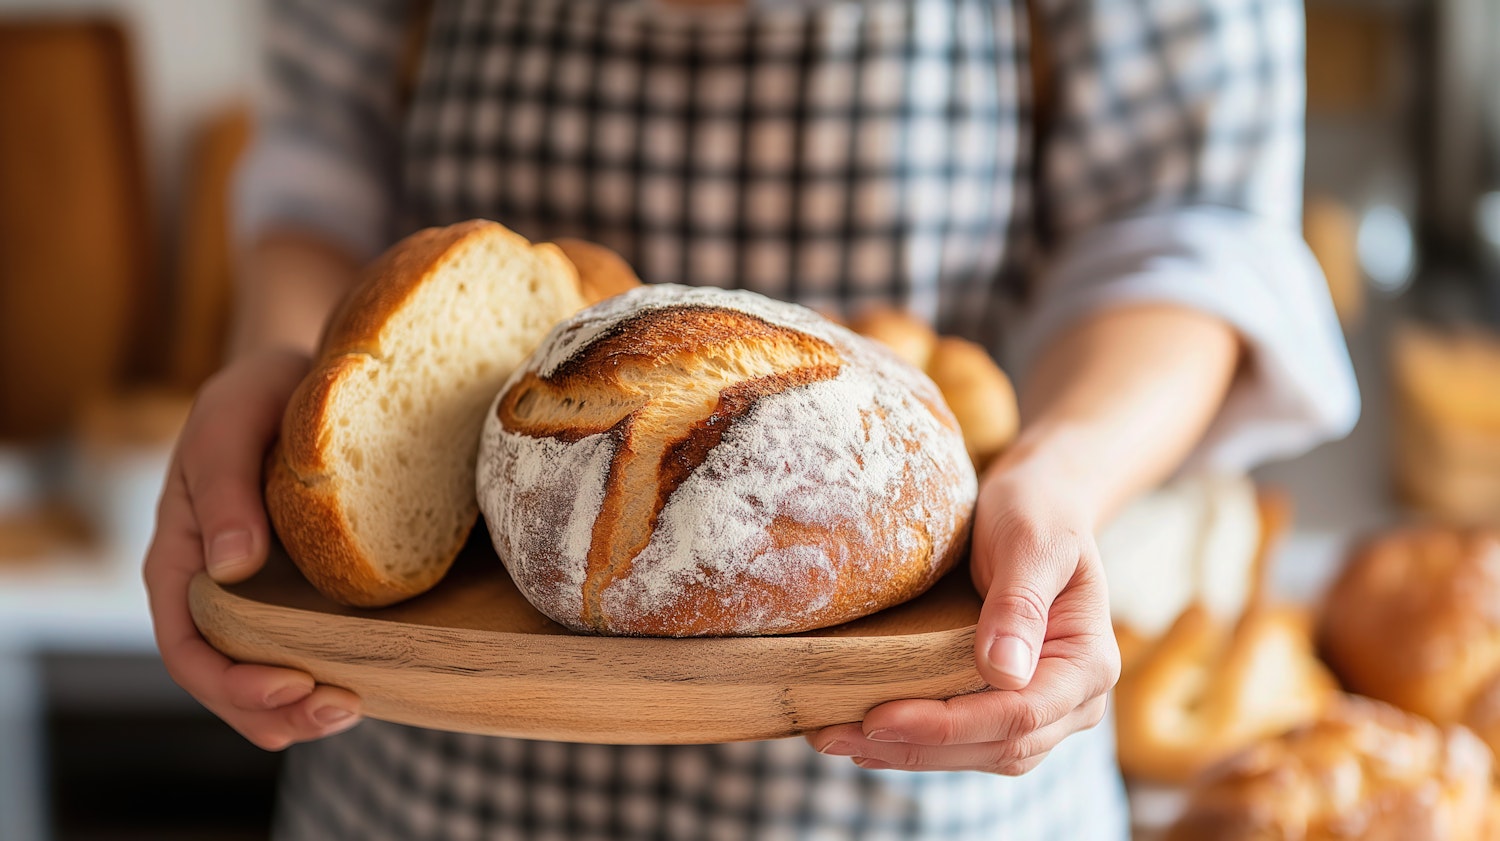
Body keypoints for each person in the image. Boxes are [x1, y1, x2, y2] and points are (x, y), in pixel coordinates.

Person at [144, 0, 1359, 838]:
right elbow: (318, 170)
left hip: (922, 772)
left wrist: (1061, 471)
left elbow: (1189, 228)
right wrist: (297, 375)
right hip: (425, 760)